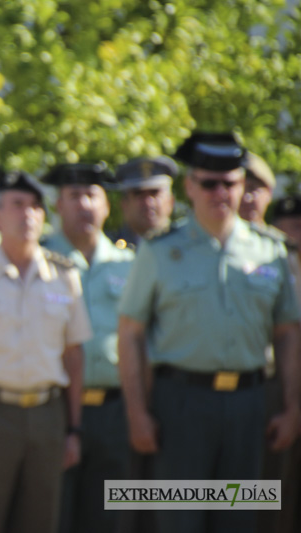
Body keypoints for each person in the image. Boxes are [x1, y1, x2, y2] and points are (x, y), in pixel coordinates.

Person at [117, 132, 301, 533]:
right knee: (180, 521)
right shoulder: (160, 250)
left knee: (238, 522)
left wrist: (292, 406)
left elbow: (287, 332)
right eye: (209, 183)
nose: (221, 192)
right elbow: (130, 332)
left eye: (231, 183)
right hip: (180, 406)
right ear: (190, 187)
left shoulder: (270, 250)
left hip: (249, 406)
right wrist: (136, 412)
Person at [0, 170, 92, 533]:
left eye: (37, 207)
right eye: (18, 205)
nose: (28, 214)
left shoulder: (64, 274)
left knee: (41, 521)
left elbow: (74, 356)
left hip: (47, 416)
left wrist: (73, 428)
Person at [39, 163, 135, 533]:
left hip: (115, 410)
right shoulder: (39, 259)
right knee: (55, 516)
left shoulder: (131, 263)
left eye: (92, 195)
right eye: (74, 196)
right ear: (58, 205)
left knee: (109, 519)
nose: (84, 205)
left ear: (107, 205)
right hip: (56, 409)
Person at [259, 194, 301, 533]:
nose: (293, 238)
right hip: (277, 395)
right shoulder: (270, 270)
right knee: (275, 497)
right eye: (285, 231)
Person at [113, 156, 177, 246]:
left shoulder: (190, 247)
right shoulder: (108, 252)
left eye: (155, 192)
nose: (148, 202)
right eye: (138, 194)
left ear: (171, 201)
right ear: (124, 204)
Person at [239, 151, 275, 224]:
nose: (246, 198)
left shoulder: (275, 235)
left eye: (252, 189)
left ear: (269, 193)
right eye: (240, 190)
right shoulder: (213, 235)